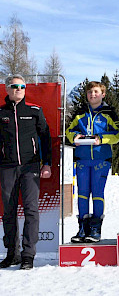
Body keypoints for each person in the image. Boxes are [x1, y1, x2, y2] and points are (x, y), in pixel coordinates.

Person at [0, 75, 52, 270]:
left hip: (31, 167)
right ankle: (12, 254)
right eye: (15, 86)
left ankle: (28, 255)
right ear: (7, 89)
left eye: (22, 86)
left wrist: (46, 163)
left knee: (31, 210)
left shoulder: (34, 110)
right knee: (9, 211)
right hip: (7, 167)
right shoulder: (1, 113)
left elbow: (45, 138)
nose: (19, 89)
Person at [66, 81, 119, 243]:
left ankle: (96, 229)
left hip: (101, 158)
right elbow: (69, 130)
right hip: (82, 159)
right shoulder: (80, 112)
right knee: (82, 194)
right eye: (90, 92)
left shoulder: (109, 112)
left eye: (96, 92)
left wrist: (102, 138)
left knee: (97, 193)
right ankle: (83, 228)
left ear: (103, 94)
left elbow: (118, 134)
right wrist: (74, 137)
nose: (93, 95)